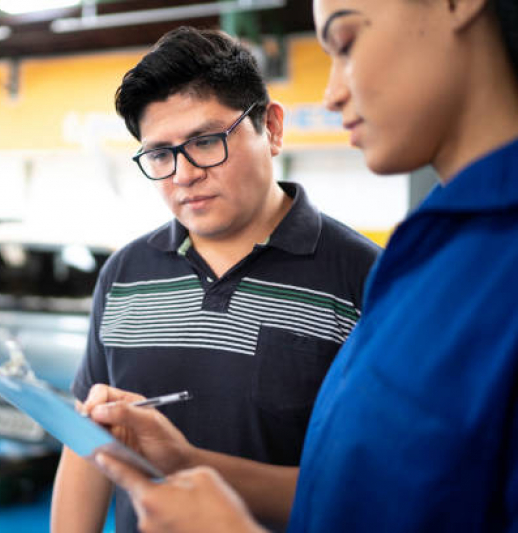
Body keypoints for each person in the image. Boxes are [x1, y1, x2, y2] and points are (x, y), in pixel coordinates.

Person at [87, 0, 518, 531]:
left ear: (269, 129)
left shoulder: (379, 274)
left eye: (347, 41)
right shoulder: (428, 257)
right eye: (160, 155)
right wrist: (188, 462)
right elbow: (359, 494)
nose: (333, 93)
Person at [51, 26, 381, 533]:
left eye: (206, 141)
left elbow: (374, 489)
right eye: (160, 154)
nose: (183, 174)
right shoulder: (124, 275)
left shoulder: (366, 280)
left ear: (270, 128)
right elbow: (91, 443)